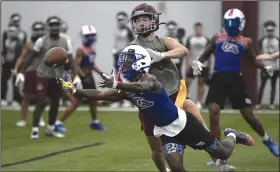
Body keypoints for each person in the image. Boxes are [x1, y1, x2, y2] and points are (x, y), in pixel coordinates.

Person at [57, 44, 255, 172]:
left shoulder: (151, 80)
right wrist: (76, 91)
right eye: (123, 61)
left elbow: (138, 88)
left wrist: (117, 85)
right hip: (166, 132)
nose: (124, 65)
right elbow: (100, 95)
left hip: (185, 126)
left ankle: (232, 135)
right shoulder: (127, 84)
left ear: (141, 63)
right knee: (176, 167)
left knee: (224, 153)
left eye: (129, 61)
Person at [126, 3, 235, 171]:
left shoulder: (163, 41)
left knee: (200, 122)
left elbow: (182, 50)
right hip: (151, 102)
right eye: (137, 20)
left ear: (154, 20)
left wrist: (160, 55)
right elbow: (126, 74)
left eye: (145, 19)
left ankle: (219, 163)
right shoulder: (132, 48)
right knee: (156, 149)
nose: (141, 23)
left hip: (174, 94)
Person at [191, 8, 279, 163]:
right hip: (218, 78)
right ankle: (218, 155)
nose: (231, 25)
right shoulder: (217, 38)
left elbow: (253, 60)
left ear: (241, 23)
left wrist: (265, 67)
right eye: (229, 22)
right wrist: (197, 62)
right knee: (213, 113)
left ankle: (267, 139)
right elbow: (205, 54)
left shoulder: (246, 41)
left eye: (234, 22)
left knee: (249, 116)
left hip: (235, 80)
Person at [21, 16, 76, 139]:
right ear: (48, 27)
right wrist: (21, 71)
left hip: (57, 76)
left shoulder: (65, 41)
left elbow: (71, 60)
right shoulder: (42, 40)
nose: (55, 27)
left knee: (56, 103)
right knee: (41, 102)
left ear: (60, 26)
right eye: (52, 25)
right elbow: (32, 56)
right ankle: (35, 129)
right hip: (43, 75)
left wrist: (74, 76)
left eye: (57, 24)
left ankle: (50, 129)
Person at [54, 25, 107, 132]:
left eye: (92, 35)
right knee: (76, 102)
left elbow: (91, 64)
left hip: (88, 76)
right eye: (89, 36)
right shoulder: (81, 50)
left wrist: (102, 74)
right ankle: (58, 123)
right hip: (79, 78)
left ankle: (94, 122)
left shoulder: (92, 48)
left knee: (93, 100)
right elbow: (76, 66)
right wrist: (82, 77)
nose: (91, 38)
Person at [13, 21, 46, 127]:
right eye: (36, 30)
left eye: (40, 29)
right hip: (30, 71)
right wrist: (16, 67)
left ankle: (39, 117)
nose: (38, 32)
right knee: (27, 96)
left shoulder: (47, 42)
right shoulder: (29, 43)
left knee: (40, 96)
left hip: (42, 71)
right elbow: (22, 57)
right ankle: (23, 120)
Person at [111, 11, 135, 108]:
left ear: (126, 20)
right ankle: (118, 99)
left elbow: (133, 44)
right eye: (118, 20)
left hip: (126, 57)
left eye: (122, 19)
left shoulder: (128, 32)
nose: (120, 22)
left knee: (126, 78)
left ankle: (128, 100)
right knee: (117, 78)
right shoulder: (117, 31)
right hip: (117, 56)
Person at [185, 22, 210, 109]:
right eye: (197, 28)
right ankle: (187, 99)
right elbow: (187, 53)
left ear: (201, 29)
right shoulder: (190, 39)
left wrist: (208, 65)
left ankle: (199, 102)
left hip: (203, 64)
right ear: (195, 29)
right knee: (187, 82)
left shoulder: (205, 39)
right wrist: (187, 65)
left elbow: (208, 53)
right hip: (193, 64)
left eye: (200, 28)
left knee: (201, 83)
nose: (198, 30)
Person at [255, 20, 279, 110]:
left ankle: (271, 104)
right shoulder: (262, 40)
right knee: (262, 85)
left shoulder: (277, 40)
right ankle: (258, 103)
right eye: (268, 31)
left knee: (273, 85)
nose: (270, 32)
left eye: (271, 31)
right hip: (265, 66)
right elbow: (258, 52)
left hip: (275, 67)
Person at [1, 24, 25, 106]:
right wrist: (3, 59)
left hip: (16, 64)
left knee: (16, 81)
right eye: (10, 31)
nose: (11, 33)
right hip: (6, 63)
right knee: (4, 80)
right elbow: (3, 52)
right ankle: (3, 98)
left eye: (13, 31)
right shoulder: (5, 41)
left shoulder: (20, 42)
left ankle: (16, 99)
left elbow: (20, 55)